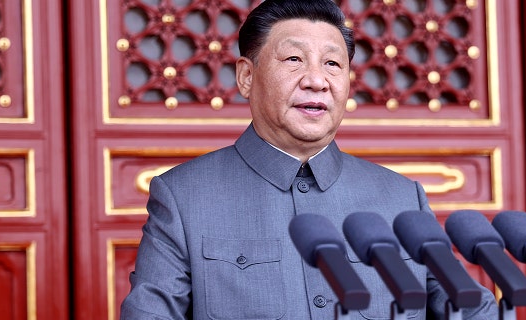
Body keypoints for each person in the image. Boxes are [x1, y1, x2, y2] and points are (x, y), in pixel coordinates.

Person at [120, 0, 499, 319]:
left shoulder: (401, 197)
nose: (317, 80)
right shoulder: (184, 197)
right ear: (246, 77)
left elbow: (467, 306)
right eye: (294, 59)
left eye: (333, 64)